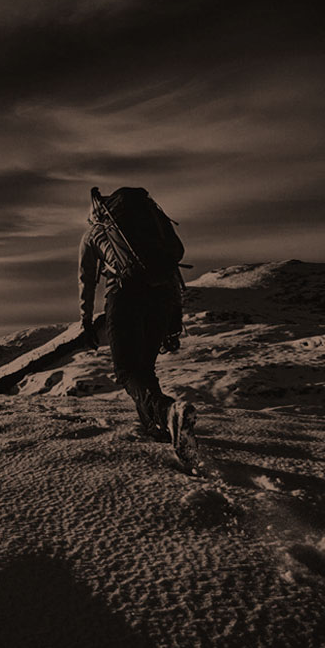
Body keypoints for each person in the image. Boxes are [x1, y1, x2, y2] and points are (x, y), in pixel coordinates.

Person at [78, 188, 200, 469]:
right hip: (162, 299)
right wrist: (173, 323)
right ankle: (158, 427)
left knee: (126, 371)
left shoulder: (93, 234)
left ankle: (169, 412)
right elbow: (171, 276)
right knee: (144, 369)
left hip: (124, 296)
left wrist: (86, 320)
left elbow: (86, 280)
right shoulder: (152, 235)